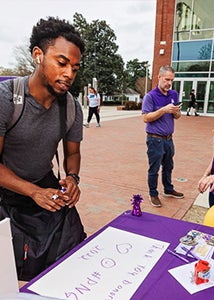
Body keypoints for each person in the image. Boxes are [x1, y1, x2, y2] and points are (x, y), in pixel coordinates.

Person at [0, 17, 86, 280]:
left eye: (75, 67)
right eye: (61, 63)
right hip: (6, 194)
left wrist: (72, 179)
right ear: (38, 55)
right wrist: (34, 192)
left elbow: (72, 153)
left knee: (73, 251)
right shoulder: (6, 99)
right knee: (10, 270)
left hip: (44, 187)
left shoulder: (71, 107)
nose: (69, 73)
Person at [142, 65, 184, 207]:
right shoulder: (150, 97)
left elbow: (177, 117)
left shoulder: (174, 94)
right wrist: (163, 110)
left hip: (169, 139)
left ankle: (168, 189)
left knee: (168, 166)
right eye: (166, 79)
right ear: (159, 77)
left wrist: (176, 112)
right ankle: (153, 194)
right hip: (155, 139)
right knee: (154, 168)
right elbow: (146, 118)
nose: (169, 83)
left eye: (171, 80)